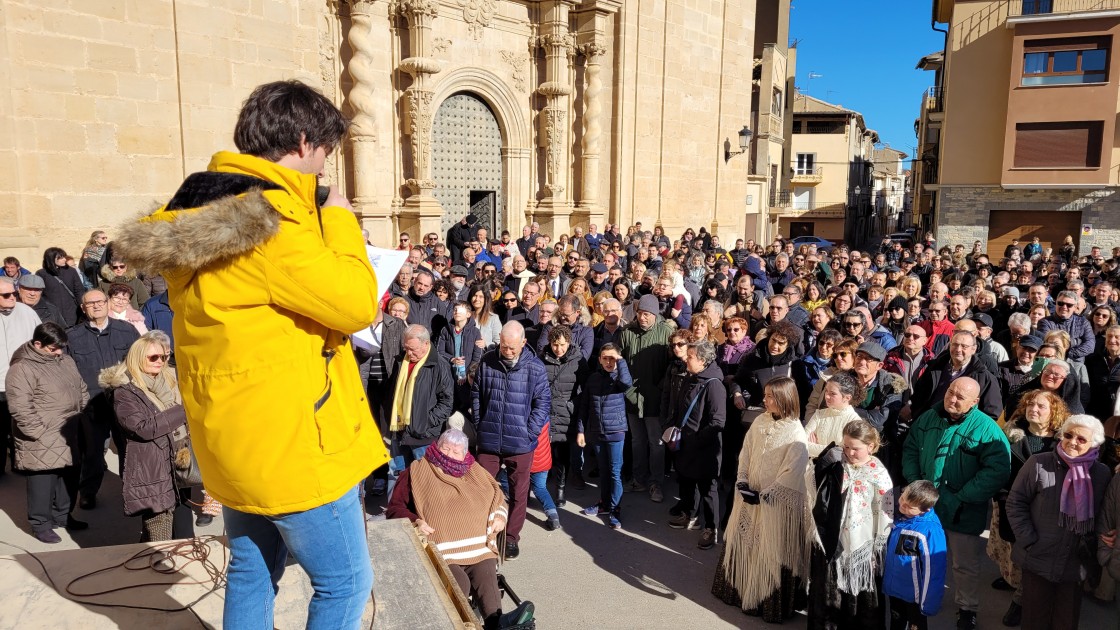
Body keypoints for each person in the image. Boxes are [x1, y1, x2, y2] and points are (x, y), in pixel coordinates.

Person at [114, 80, 386, 628]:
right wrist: (338, 217)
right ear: (305, 141)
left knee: (253, 568)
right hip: (293, 447)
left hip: (235, 444)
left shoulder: (196, 208)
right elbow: (357, 303)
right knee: (346, 583)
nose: (324, 168)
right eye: (326, 153)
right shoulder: (272, 222)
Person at [385, 429, 534, 630]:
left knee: (487, 579)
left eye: (456, 452)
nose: (449, 455)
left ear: (465, 454)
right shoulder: (416, 471)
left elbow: (498, 497)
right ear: (437, 447)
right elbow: (394, 509)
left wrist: (499, 516)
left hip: (478, 547)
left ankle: (498, 623)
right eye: (445, 449)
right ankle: (459, 625)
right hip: (441, 551)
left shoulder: (475, 470)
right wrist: (415, 521)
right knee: (459, 586)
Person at [902, 377, 1011, 630]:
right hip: (925, 505)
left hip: (963, 509)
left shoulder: (986, 429)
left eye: (960, 397)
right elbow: (910, 449)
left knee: (964, 564)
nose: (952, 399)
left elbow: (997, 469)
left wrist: (962, 496)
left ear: (975, 402)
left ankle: (967, 608)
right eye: (951, 392)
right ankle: (919, 596)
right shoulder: (928, 418)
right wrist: (916, 484)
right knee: (921, 555)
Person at [713, 377, 814, 623]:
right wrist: (742, 480)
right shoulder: (759, 420)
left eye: (770, 396)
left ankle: (764, 603)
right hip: (750, 495)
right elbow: (745, 452)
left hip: (773, 503)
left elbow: (793, 472)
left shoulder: (795, 432)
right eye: (766, 395)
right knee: (745, 542)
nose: (765, 400)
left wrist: (767, 495)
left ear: (784, 399)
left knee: (768, 548)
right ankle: (737, 592)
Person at [1006, 414, 1110, 630]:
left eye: (1081, 439)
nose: (1073, 442)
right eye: (1069, 435)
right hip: (1038, 555)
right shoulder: (1039, 463)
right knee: (1035, 619)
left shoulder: (1102, 473)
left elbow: (1103, 513)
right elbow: (1015, 502)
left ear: (1095, 444)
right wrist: (1029, 539)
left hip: (1076, 560)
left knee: (1066, 621)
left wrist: (1106, 536)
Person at [99, 331, 194, 541]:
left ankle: (172, 561)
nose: (160, 362)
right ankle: (156, 567)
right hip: (151, 466)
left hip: (176, 460)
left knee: (183, 528)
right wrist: (183, 410)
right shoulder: (124, 391)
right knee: (158, 528)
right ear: (137, 358)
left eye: (163, 357)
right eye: (153, 357)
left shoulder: (165, 379)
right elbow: (143, 427)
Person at [987, 389, 1069, 626]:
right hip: (1011, 501)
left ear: (1054, 411)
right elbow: (996, 466)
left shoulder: (1063, 441)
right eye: (1030, 404)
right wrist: (1000, 497)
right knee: (1011, 547)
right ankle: (1012, 579)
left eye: (1041, 406)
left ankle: (1021, 601)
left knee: (1033, 552)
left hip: (1048, 508)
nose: (1034, 409)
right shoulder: (1010, 434)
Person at [472, 321, 551, 558]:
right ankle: (482, 530)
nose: (507, 352)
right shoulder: (487, 361)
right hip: (489, 438)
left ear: (523, 343)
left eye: (512, 348)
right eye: (503, 347)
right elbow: (476, 393)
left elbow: (542, 403)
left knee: (519, 492)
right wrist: (479, 422)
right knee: (482, 489)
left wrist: (530, 432)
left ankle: (512, 537)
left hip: (520, 442)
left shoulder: (535, 368)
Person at [807, 420, 893, 630]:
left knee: (859, 593)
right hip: (833, 537)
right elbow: (816, 491)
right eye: (846, 447)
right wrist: (824, 462)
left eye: (856, 448)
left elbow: (885, 513)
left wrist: (876, 549)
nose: (850, 452)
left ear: (871, 447)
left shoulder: (878, 473)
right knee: (829, 588)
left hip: (862, 544)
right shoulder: (837, 464)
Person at [6, 323, 87, 543]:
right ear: (38, 344)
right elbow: (20, 406)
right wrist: (38, 432)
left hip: (69, 431)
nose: (59, 352)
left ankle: (62, 516)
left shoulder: (65, 360)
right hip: (43, 436)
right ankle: (40, 524)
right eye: (54, 348)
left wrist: (82, 412)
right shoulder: (22, 367)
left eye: (61, 347)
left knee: (68, 480)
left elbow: (80, 388)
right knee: (42, 483)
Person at [67, 289, 141, 508]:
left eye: (100, 301)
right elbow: (68, 372)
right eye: (90, 304)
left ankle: (132, 490)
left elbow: (139, 362)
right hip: (92, 404)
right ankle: (88, 492)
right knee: (93, 452)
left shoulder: (126, 331)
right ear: (83, 308)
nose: (96, 306)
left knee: (129, 448)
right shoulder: (73, 336)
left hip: (125, 401)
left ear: (108, 303)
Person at [662, 339, 726, 549]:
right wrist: (672, 427)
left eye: (690, 357)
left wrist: (696, 440)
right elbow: (680, 409)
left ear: (702, 360)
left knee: (708, 490)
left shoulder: (714, 385)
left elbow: (718, 422)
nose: (685, 360)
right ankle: (688, 514)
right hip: (685, 445)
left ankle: (710, 528)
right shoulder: (691, 378)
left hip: (704, 449)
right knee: (687, 482)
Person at [387, 325, 454, 498]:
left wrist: (425, 421)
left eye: (413, 349)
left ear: (426, 344)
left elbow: (446, 402)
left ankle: (424, 516)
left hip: (423, 435)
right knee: (396, 475)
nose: (409, 353)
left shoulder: (439, 365)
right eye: (406, 348)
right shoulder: (402, 361)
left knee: (425, 480)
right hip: (399, 432)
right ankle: (395, 516)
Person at [618, 294, 673, 502]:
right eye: (641, 313)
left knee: (656, 442)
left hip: (654, 398)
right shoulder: (627, 332)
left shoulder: (666, 332)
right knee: (637, 441)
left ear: (655, 314)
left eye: (648, 314)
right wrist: (625, 386)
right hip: (632, 397)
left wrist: (661, 388)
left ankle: (656, 483)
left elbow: (671, 364)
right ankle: (638, 479)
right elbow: (620, 361)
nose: (643, 318)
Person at [576, 343, 633, 529]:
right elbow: (584, 406)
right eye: (605, 358)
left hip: (616, 431)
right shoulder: (593, 379)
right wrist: (581, 430)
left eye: (613, 358)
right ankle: (605, 503)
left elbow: (626, 384)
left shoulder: (619, 378)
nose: (609, 362)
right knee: (604, 471)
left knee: (615, 472)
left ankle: (616, 509)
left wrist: (621, 362)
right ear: (599, 359)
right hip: (596, 432)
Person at [883, 480, 948, 630]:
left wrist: (928, 604)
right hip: (895, 591)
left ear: (925, 510)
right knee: (896, 624)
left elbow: (933, 572)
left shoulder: (930, 531)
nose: (901, 506)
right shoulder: (900, 517)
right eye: (902, 499)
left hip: (915, 599)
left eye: (908, 506)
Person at [539, 325, 585, 508]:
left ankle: (560, 488)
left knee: (561, 454)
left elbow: (585, 387)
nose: (559, 349)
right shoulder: (541, 359)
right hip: (545, 411)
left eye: (562, 345)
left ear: (569, 343)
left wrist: (574, 405)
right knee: (543, 452)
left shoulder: (578, 360)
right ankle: (540, 487)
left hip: (566, 413)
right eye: (555, 344)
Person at [805, 371, 864, 458]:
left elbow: (841, 453)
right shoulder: (819, 414)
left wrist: (812, 447)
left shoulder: (855, 422)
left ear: (847, 398)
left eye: (833, 394)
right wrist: (828, 450)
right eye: (826, 391)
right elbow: (801, 443)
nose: (827, 396)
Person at [36, 247, 85, 328]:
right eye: (60, 258)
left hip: (72, 312)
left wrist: (82, 305)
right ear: (51, 259)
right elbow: (40, 294)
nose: (64, 259)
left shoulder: (71, 271)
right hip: (52, 313)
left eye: (64, 257)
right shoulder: (42, 274)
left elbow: (79, 290)